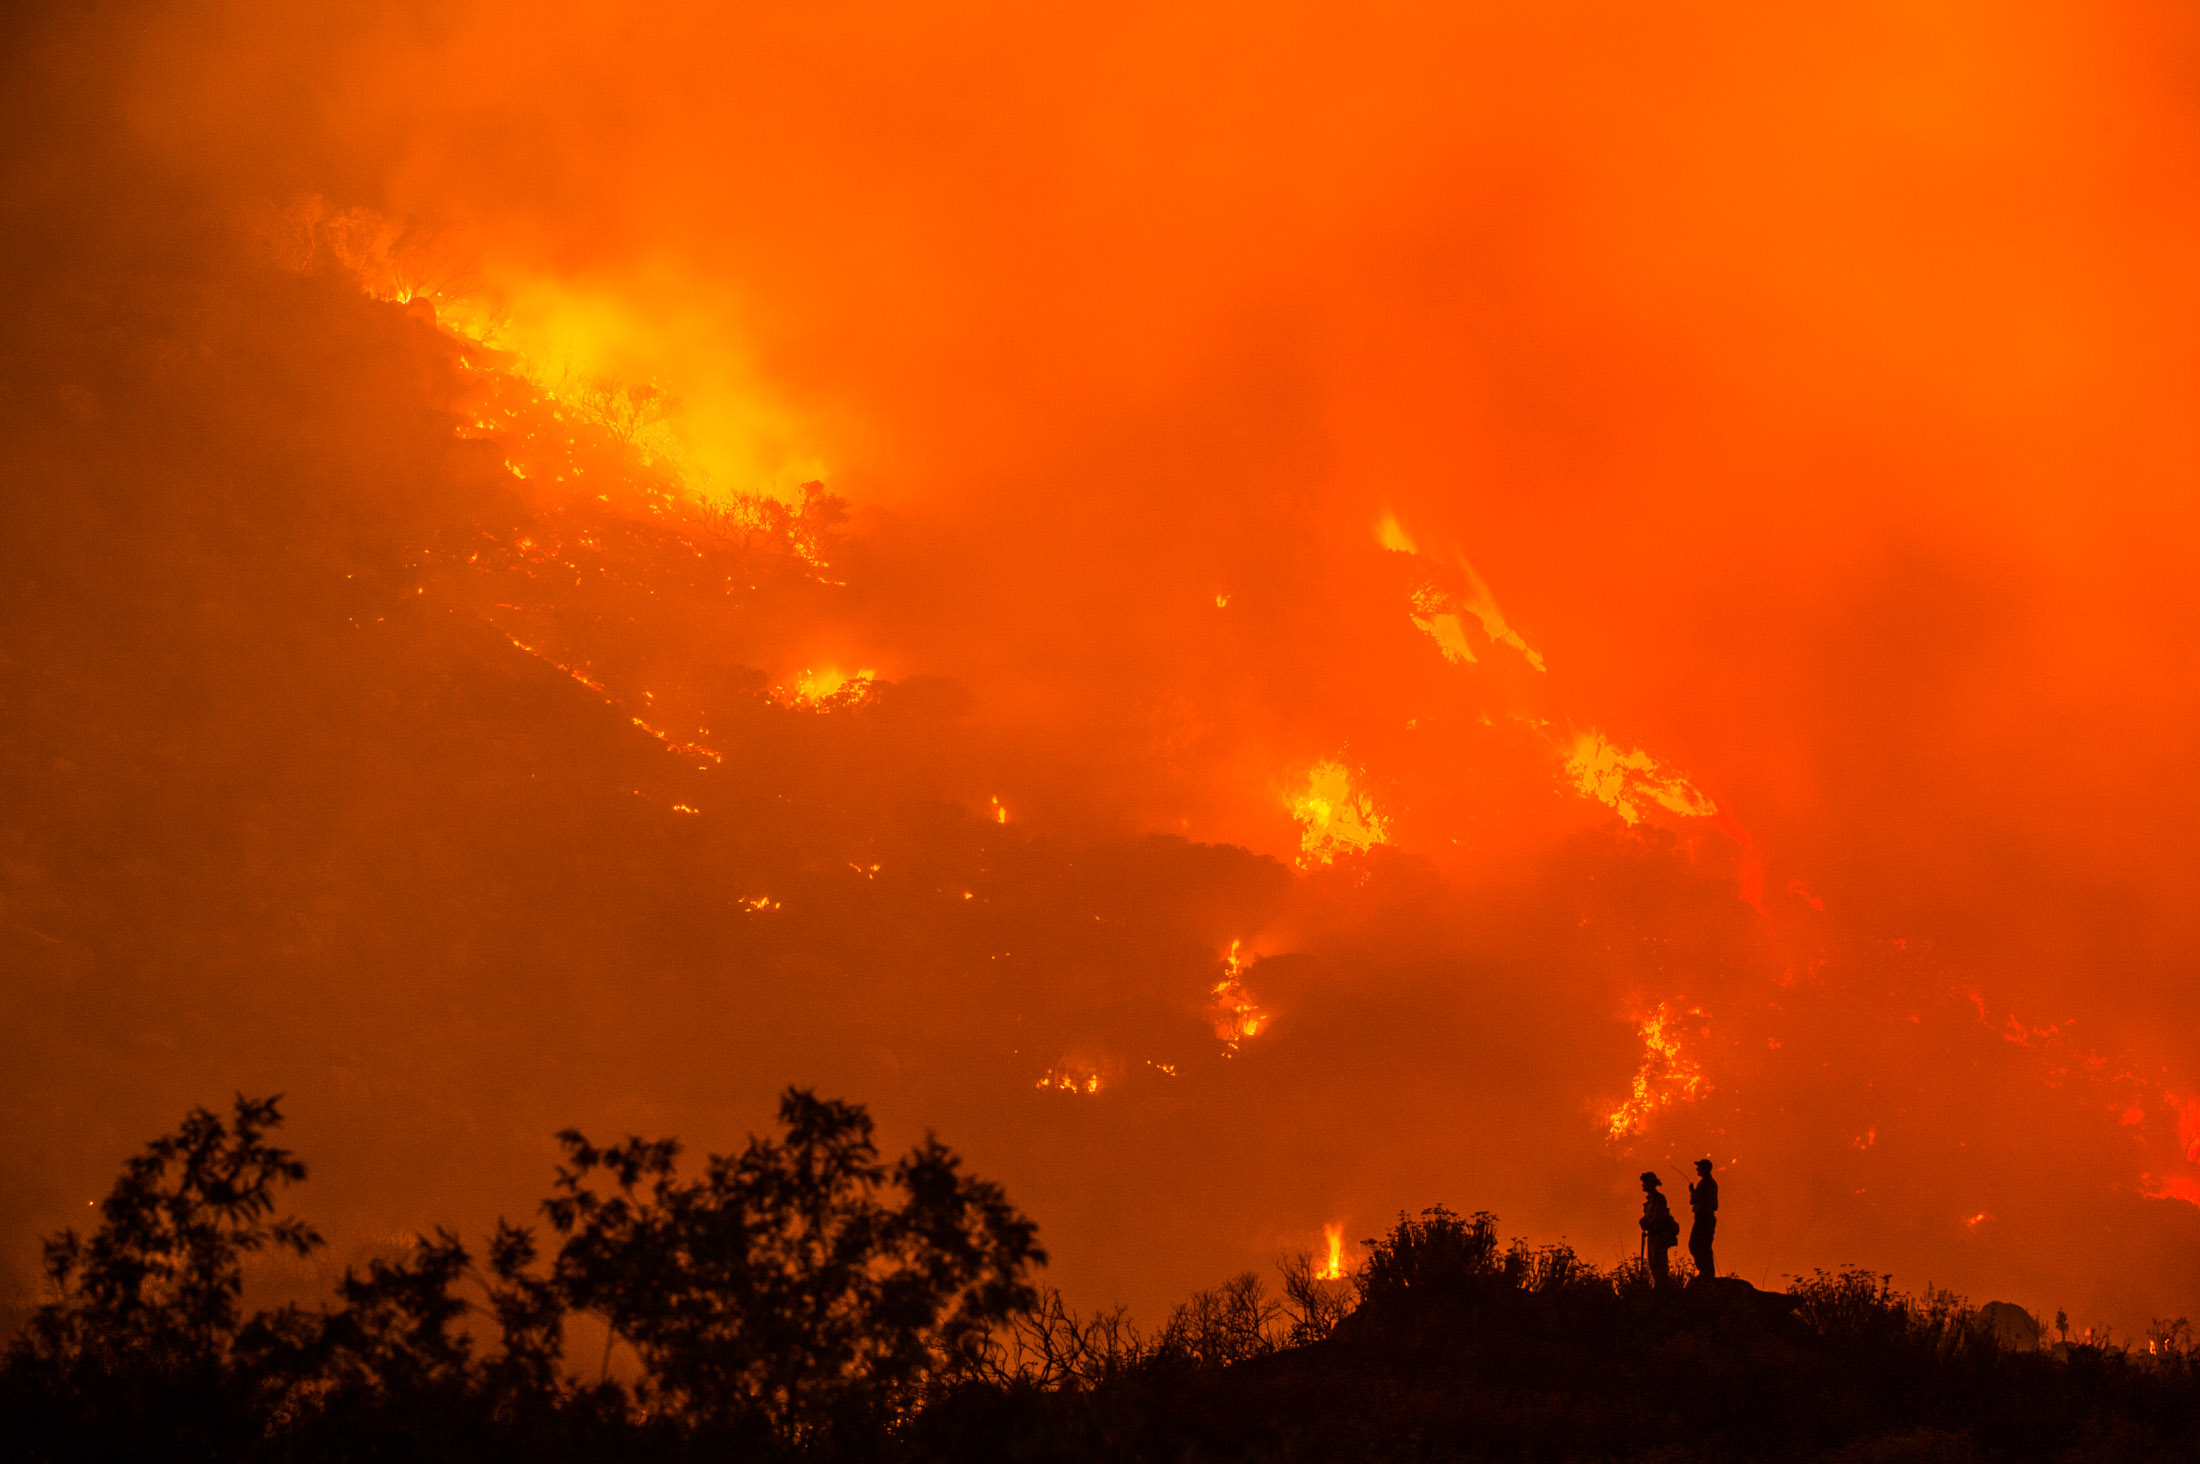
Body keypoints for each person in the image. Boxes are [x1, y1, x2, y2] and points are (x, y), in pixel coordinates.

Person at [1639, 1172, 1679, 1287]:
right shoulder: (1651, 1200)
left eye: (1644, 1183)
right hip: (1652, 1235)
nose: (1643, 1185)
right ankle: (1659, 1286)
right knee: (1653, 1263)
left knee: (1659, 1263)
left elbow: (1658, 1217)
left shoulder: (1659, 1199)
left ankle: (1662, 1288)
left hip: (1658, 1236)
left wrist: (1647, 1223)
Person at [1687, 1158, 1718, 1284]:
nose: (1697, 1169)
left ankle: (1706, 1272)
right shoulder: (1707, 1183)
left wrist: (1693, 1193)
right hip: (1704, 1218)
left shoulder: (1706, 1184)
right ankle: (1706, 1271)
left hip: (1704, 1218)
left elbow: (1697, 1201)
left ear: (1705, 1169)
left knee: (1698, 1245)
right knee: (1701, 1245)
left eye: (1699, 1167)